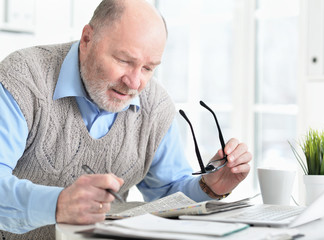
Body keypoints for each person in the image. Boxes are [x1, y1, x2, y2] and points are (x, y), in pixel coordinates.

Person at [0, 0, 252, 239]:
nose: (134, 82)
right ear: (88, 39)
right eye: (124, 60)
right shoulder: (23, 79)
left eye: (148, 68)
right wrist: (58, 205)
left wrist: (208, 186)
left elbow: (167, 192)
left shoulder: (155, 106)